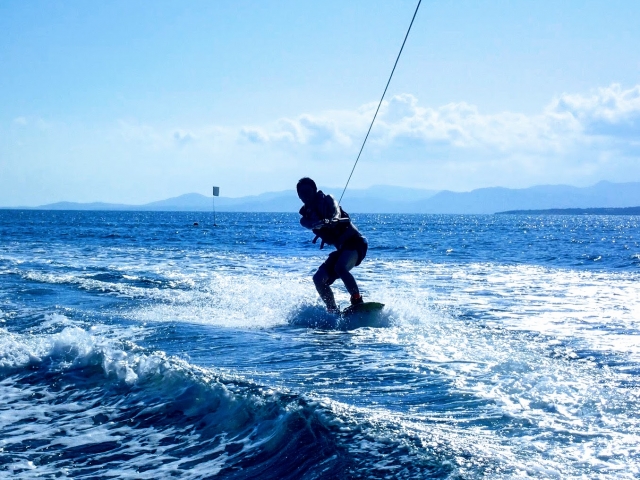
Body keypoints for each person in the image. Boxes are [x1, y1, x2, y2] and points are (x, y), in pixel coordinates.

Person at [297, 177, 368, 314]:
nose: (305, 195)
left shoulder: (328, 199)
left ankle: (357, 300)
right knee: (318, 279)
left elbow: (336, 209)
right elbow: (307, 224)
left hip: (356, 243)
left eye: (307, 191)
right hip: (342, 250)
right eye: (302, 193)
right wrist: (317, 224)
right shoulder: (304, 218)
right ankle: (333, 310)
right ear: (299, 196)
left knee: (340, 267)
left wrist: (335, 218)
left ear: (314, 190)